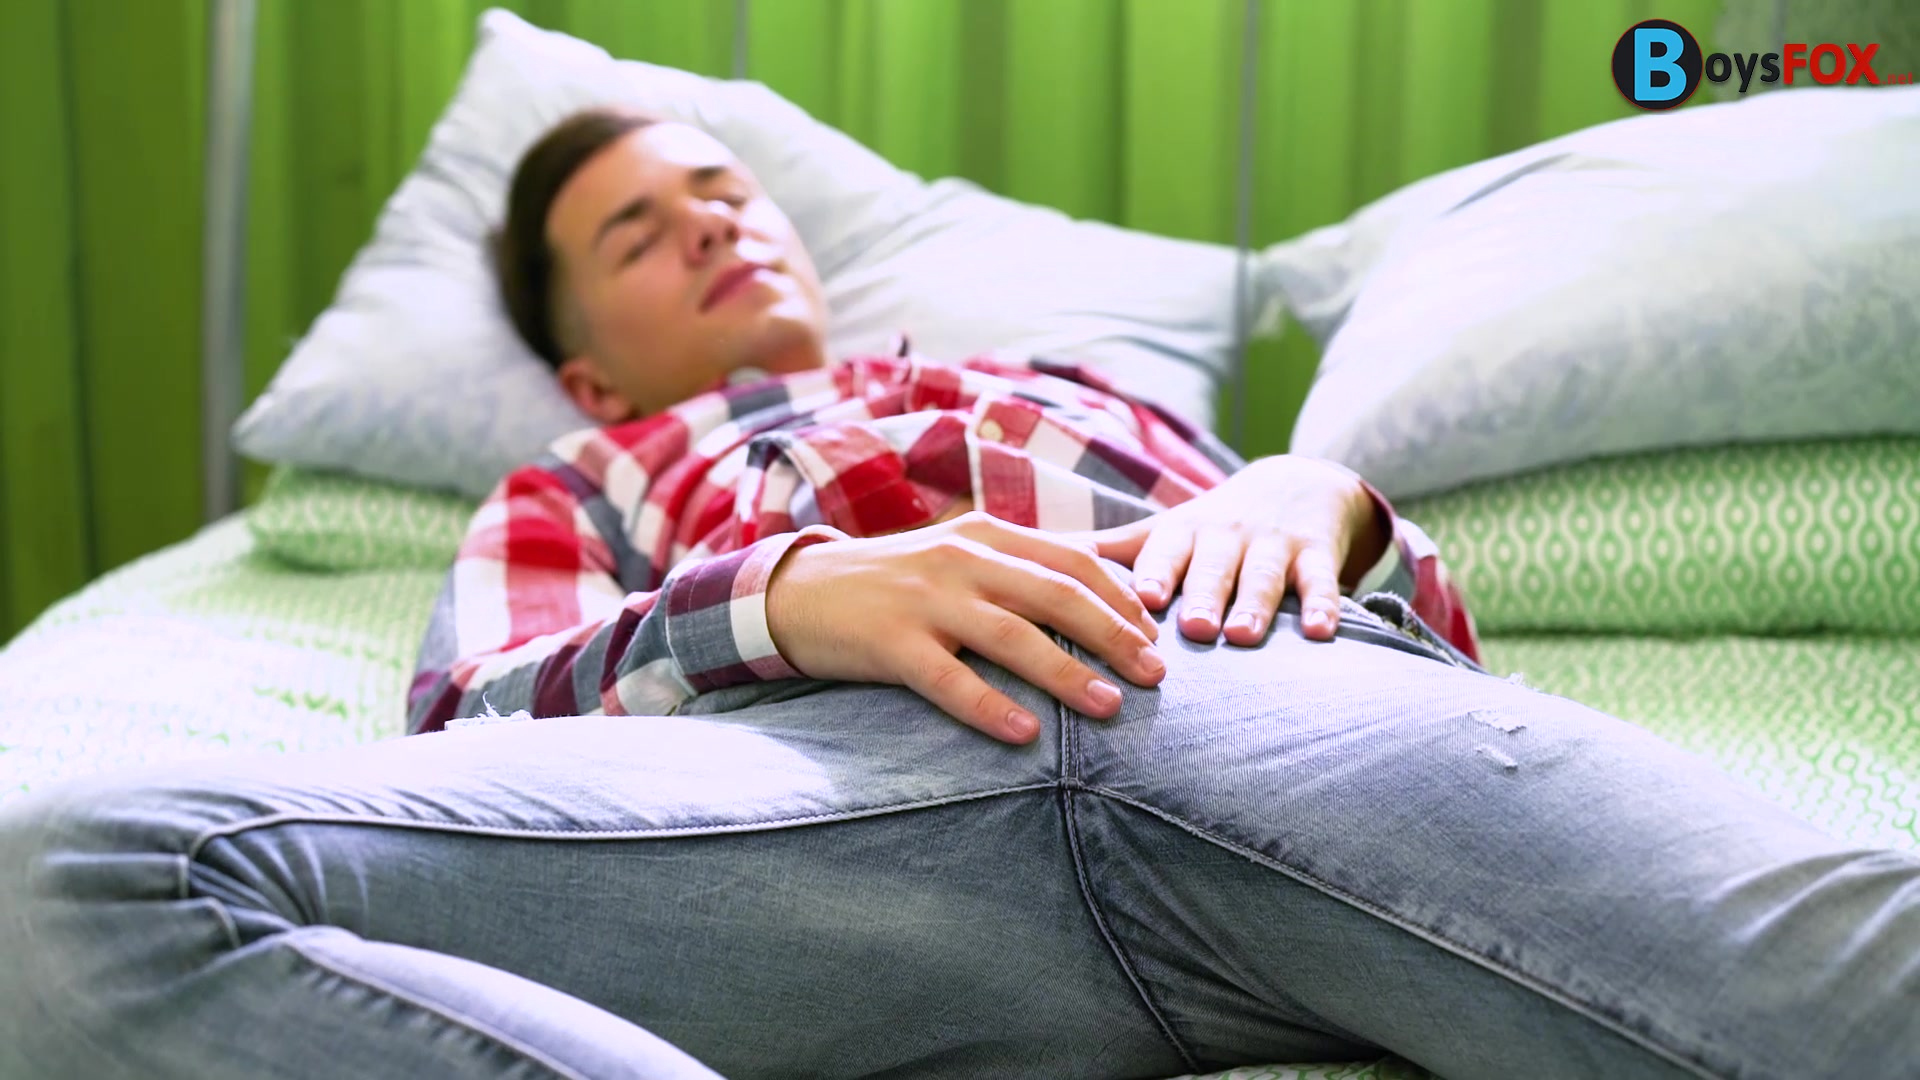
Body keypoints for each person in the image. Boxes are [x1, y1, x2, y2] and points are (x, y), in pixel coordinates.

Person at [0, 110, 1912, 1080]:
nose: (710, 221)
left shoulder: (1089, 392)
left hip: (1260, 700)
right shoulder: (585, 475)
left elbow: (1436, 667)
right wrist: (792, 598)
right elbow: (469, 723)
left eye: (723, 191)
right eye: (637, 233)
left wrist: (1325, 502)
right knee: (66, 883)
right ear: (589, 365)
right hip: (815, 810)